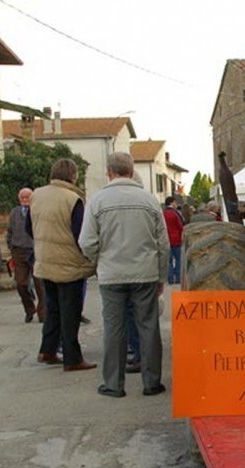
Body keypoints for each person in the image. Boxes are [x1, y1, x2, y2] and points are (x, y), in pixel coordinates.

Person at [79, 151, 168, 397]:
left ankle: (113, 384)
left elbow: (86, 242)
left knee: (114, 329)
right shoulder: (150, 201)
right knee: (148, 327)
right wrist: (161, 277)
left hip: (112, 274)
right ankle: (152, 382)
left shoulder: (97, 201)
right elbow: (163, 244)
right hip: (145, 273)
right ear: (131, 171)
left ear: (108, 173)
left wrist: (99, 260)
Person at [28, 158, 97, 372]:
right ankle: (72, 358)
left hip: (44, 259)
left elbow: (29, 227)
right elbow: (81, 234)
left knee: (53, 308)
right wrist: (89, 257)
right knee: (70, 312)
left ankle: (47, 349)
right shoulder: (72, 199)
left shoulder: (37, 195)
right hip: (69, 263)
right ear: (73, 175)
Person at [7, 187, 45, 323]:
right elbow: (10, 231)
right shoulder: (14, 212)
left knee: (40, 284)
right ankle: (29, 309)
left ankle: (43, 313)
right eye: (22, 197)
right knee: (21, 283)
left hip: (35, 251)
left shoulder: (38, 210)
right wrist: (11, 246)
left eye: (27, 197)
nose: (24, 200)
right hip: (19, 251)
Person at [164, 195, 185, 285]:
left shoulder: (163, 213)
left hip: (166, 239)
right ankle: (178, 278)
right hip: (176, 239)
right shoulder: (176, 213)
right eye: (175, 202)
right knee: (178, 259)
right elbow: (180, 226)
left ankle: (170, 278)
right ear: (171, 202)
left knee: (169, 261)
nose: (176, 204)